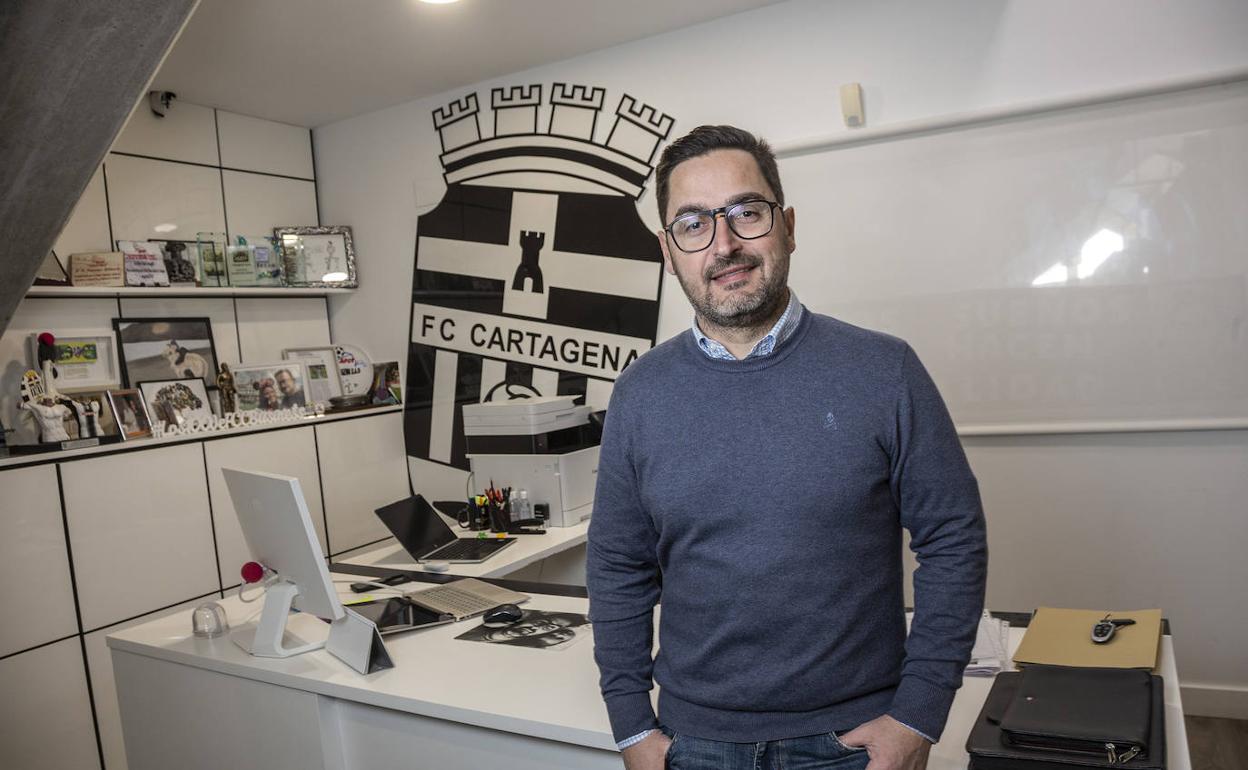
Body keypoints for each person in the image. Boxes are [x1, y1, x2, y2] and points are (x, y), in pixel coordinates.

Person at [586, 125, 987, 770]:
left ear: (788, 226)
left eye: (747, 212)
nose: (724, 243)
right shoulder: (639, 394)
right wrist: (632, 727)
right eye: (693, 224)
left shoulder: (885, 370)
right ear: (668, 251)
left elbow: (953, 536)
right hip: (694, 744)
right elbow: (616, 569)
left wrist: (919, 713)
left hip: (855, 742)